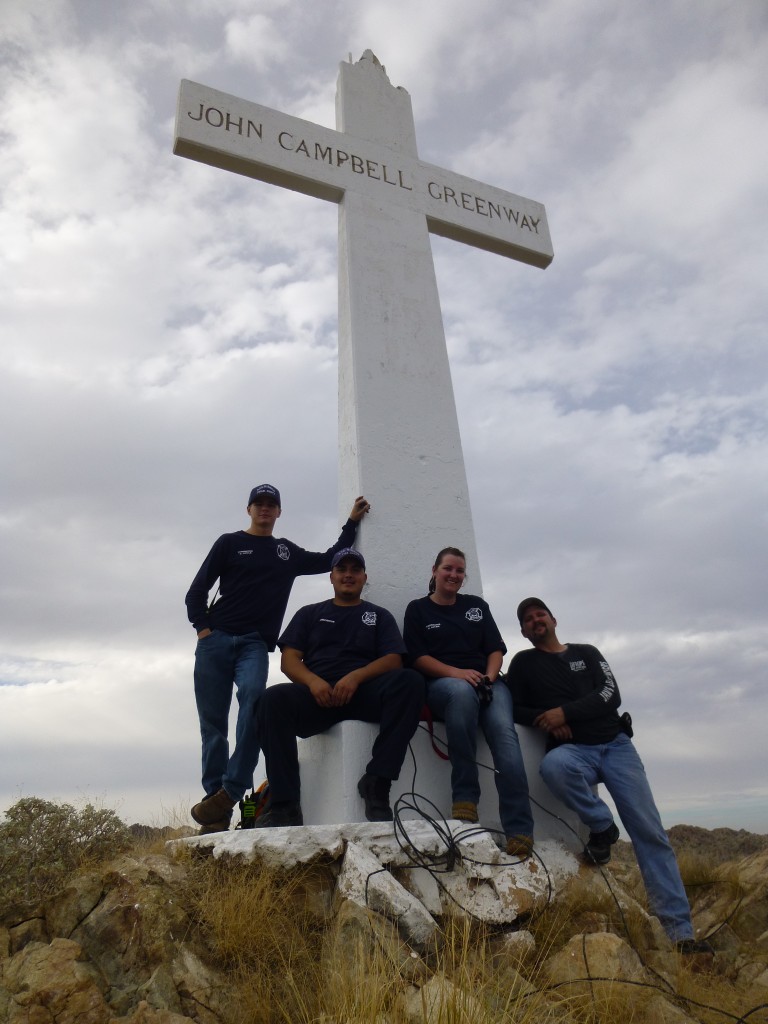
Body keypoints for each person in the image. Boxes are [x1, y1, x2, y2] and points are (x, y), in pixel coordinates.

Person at [507, 597, 713, 953]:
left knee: (650, 834)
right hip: (572, 753)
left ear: (554, 618)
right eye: (527, 619)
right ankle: (602, 825)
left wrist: (566, 713)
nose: (535, 620)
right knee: (553, 768)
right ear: (523, 632)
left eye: (540, 614)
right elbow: (516, 706)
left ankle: (681, 935)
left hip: (617, 746)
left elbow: (610, 694)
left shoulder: (586, 652)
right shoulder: (523, 663)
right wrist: (549, 719)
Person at [185, 485, 370, 833]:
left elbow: (330, 557)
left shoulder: (286, 552)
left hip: (255, 644)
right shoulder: (228, 542)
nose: (265, 509)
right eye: (259, 504)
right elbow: (196, 591)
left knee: (255, 703)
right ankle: (217, 809)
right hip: (216, 642)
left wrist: (351, 523)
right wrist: (202, 629)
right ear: (249, 509)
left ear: (279, 512)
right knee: (213, 727)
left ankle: (231, 790)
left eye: (272, 505)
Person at [254, 548, 424, 826]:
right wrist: (312, 682)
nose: (348, 575)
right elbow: (289, 660)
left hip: (363, 695)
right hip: (316, 698)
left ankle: (377, 783)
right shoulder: (309, 613)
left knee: (410, 682)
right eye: (341, 569)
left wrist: (357, 677)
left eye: (354, 570)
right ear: (331, 577)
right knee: (271, 699)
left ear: (364, 577)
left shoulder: (378, 616)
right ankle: (285, 805)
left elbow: (394, 660)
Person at [403, 547, 534, 858]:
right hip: (443, 684)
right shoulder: (417, 609)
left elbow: (495, 649)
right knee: (460, 694)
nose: (453, 575)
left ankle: (519, 829)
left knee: (505, 737)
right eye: (448, 568)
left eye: (460, 571)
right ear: (434, 571)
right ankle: (465, 797)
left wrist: (488, 678)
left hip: (487, 683)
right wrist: (458, 674)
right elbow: (417, 658)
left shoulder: (477, 607)